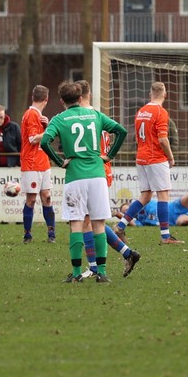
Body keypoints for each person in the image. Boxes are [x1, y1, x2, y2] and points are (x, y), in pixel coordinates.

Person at [40, 81, 127, 283]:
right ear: (80, 98)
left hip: (75, 176)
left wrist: (60, 162)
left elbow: (45, 141)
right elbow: (121, 131)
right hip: (97, 175)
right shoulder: (95, 115)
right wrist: (110, 155)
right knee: (98, 224)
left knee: (77, 224)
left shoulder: (59, 119)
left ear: (62, 101)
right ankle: (102, 273)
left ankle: (77, 272)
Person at [75, 79, 141, 279]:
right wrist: (109, 156)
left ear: (78, 97)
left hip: (93, 172)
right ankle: (126, 254)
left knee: (88, 222)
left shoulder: (84, 118)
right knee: (94, 221)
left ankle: (95, 266)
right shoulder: (98, 116)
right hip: (103, 171)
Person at [114, 81, 182, 245]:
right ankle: (165, 236)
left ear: (150, 94)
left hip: (141, 157)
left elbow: (137, 137)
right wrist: (170, 157)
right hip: (156, 158)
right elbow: (163, 139)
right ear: (165, 94)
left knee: (145, 195)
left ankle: (120, 226)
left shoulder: (141, 111)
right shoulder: (161, 112)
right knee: (163, 195)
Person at [19, 85, 57, 243]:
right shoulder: (31, 114)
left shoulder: (38, 116)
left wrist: (47, 127)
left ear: (32, 97)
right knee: (32, 199)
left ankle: (51, 234)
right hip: (31, 163)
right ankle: (27, 235)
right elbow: (33, 139)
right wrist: (51, 130)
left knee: (47, 197)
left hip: (43, 163)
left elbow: (44, 139)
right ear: (46, 99)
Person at [119, 178, 188, 227]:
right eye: (125, 213)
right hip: (173, 221)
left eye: (127, 209)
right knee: (182, 222)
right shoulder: (140, 221)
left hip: (173, 207)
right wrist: (119, 215)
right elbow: (132, 223)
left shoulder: (140, 203)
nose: (127, 212)